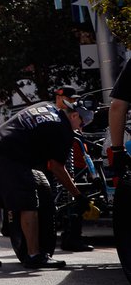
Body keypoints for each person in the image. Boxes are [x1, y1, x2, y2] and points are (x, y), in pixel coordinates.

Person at [0, 100, 89, 269]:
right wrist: (78, 195)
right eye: (82, 123)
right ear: (74, 115)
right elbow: (57, 167)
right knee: (28, 204)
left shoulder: (46, 105)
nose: (81, 128)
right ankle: (34, 254)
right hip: (13, 156)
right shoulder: (63, 129)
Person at [53, 85, 95, 252]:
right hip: (65, 166)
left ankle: (72, 236)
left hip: (78, 165)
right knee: (69, 201)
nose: (74, 101)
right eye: (70, 99)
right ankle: (70, 237)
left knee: (76, 202)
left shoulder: (74, 115)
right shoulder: (58, 118)